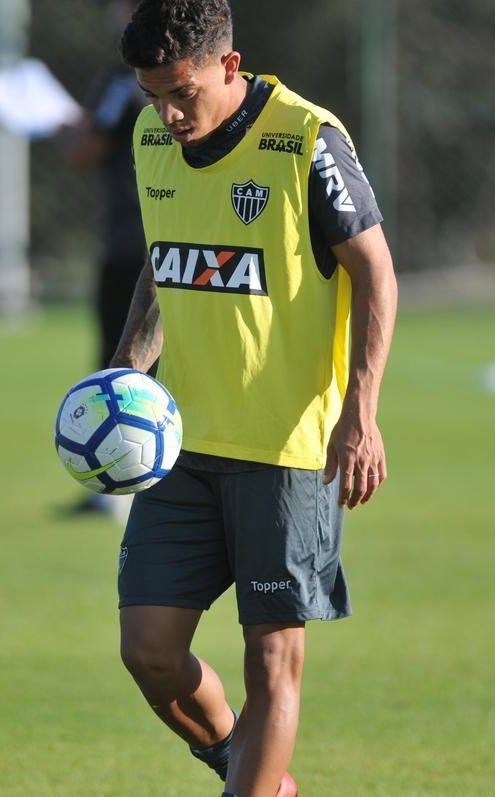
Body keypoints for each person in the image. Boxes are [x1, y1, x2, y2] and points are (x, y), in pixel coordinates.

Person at [109, 1, 398, 794]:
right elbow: (166, 258)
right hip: (183, 445)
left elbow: (376, 270)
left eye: (181, 93)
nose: (166, 115)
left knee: (272, 658)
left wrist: (360, 411)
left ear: (228, 69)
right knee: (149, 649)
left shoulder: (306, 139)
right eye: (149, 96)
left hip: (287, 450)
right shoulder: (149, 139)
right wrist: (127, 373)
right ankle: (251, 767)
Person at [61, 0, 150, 520]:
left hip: (133, 245)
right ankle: (123, 481)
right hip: (150, 239)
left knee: (122, 361)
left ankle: (119, 484)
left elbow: (83, 151)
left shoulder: (124, 81)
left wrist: (58, 126)